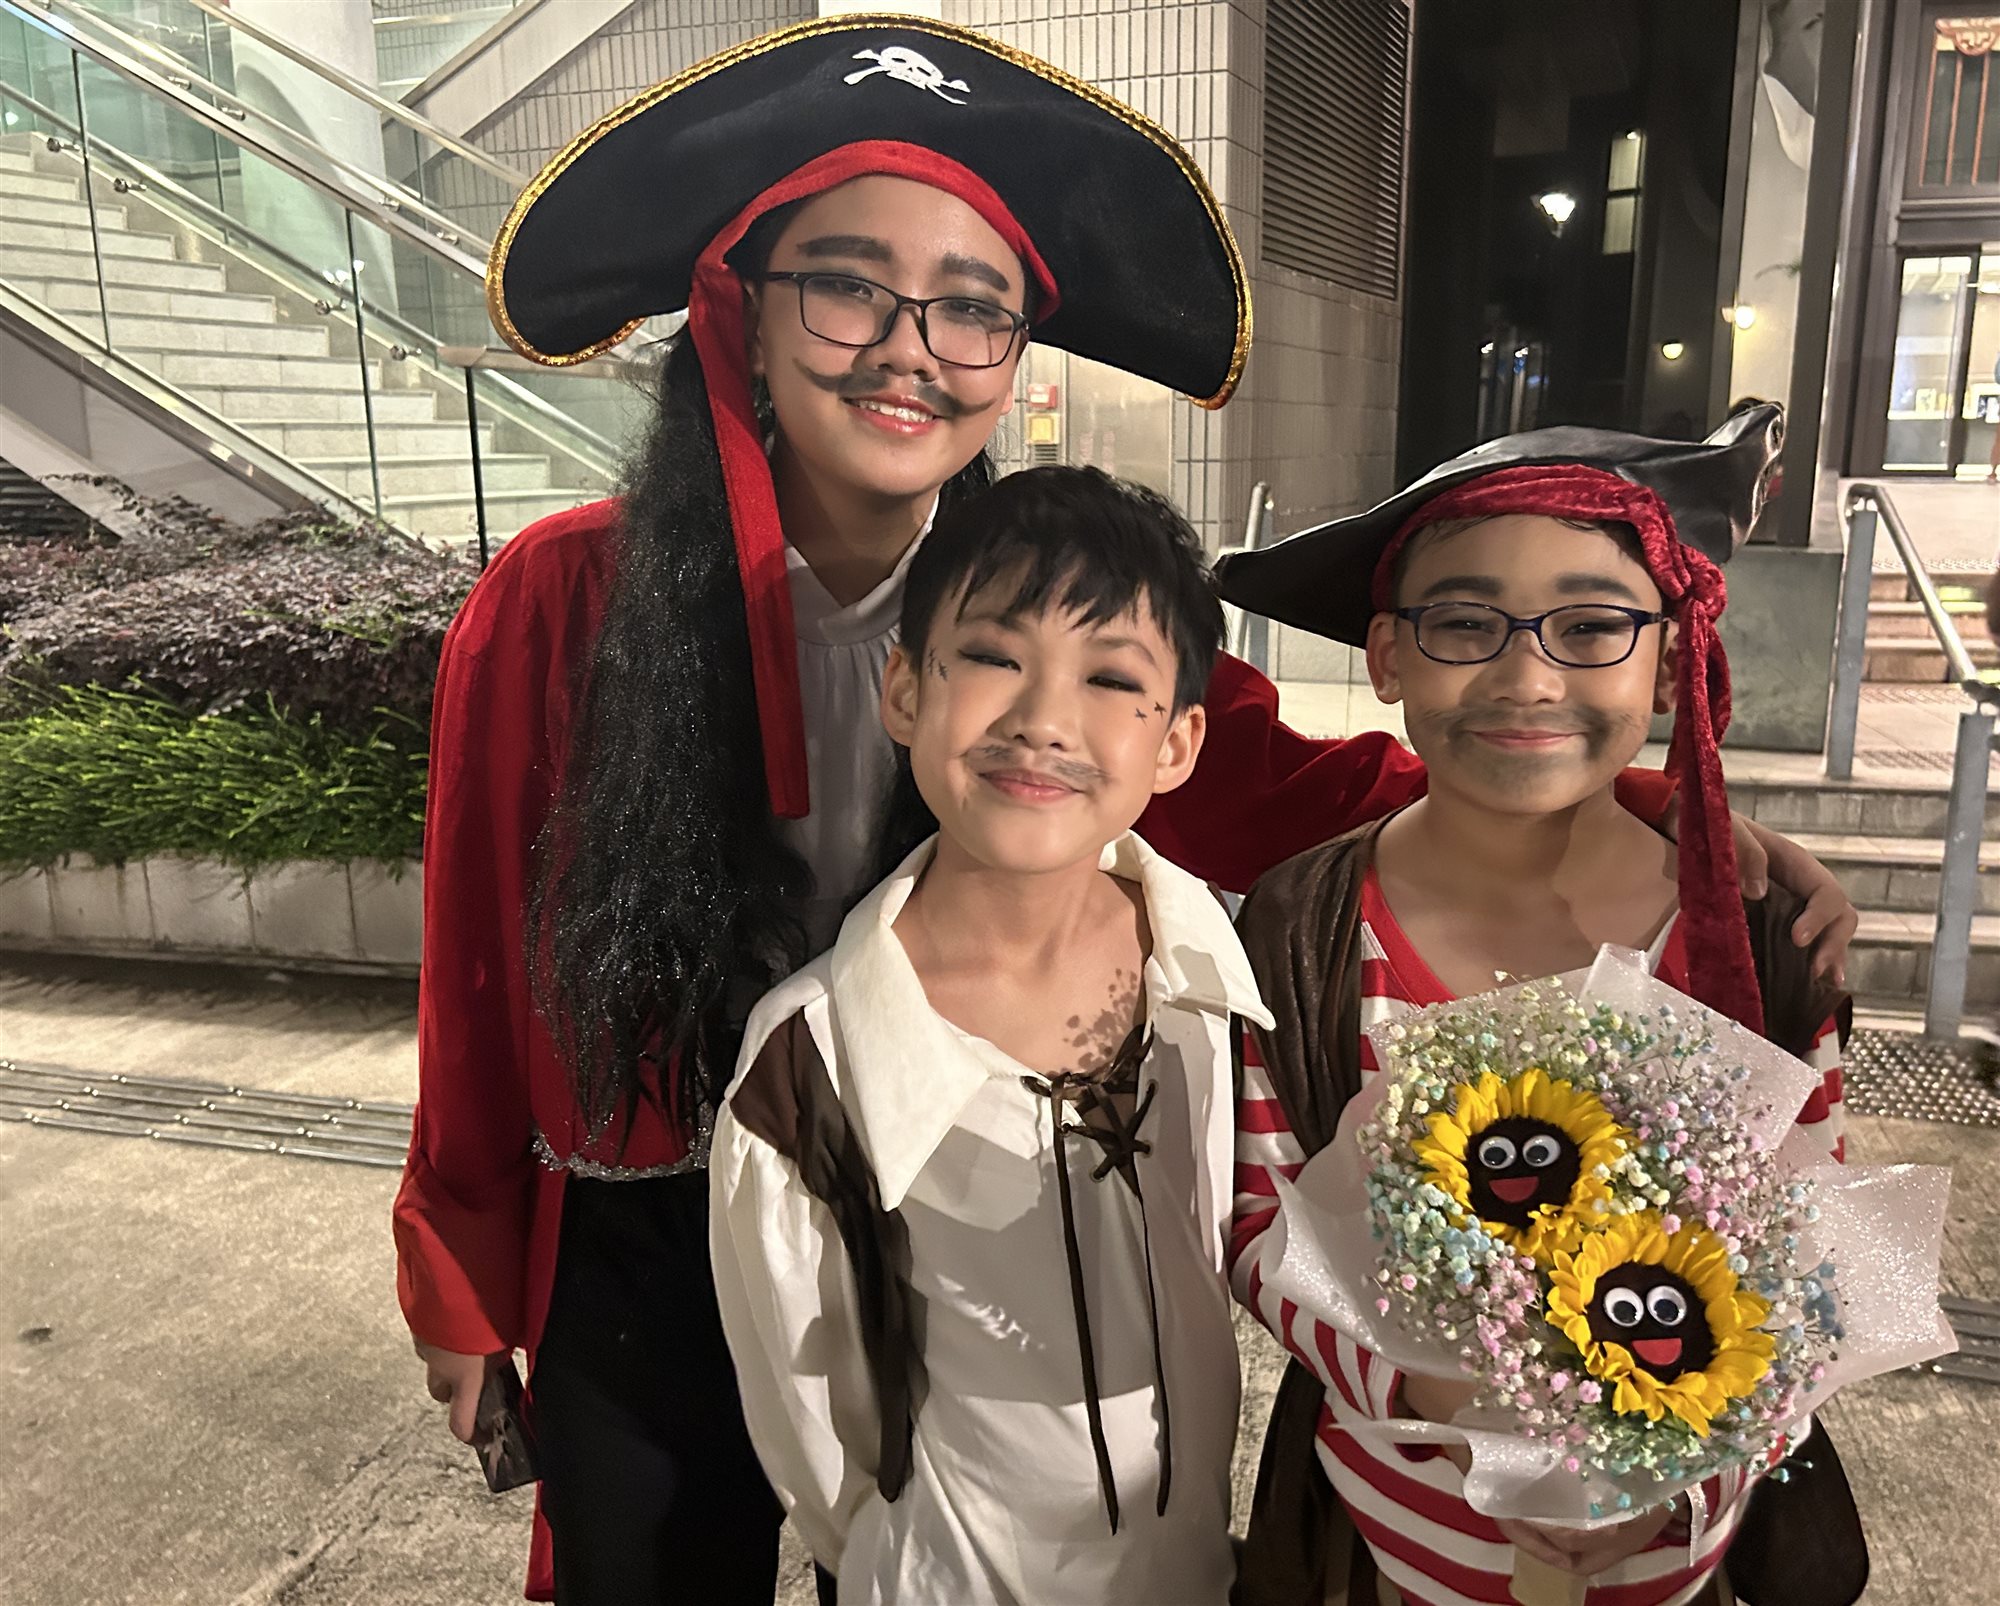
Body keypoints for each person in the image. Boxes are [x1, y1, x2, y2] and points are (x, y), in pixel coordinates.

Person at [391, 17, 1859, 1602]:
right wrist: (462, 1272)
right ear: (741, 310)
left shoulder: (1065, 613)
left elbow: (1318, 791)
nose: (908, 347)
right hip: (654, 1217)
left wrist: (1645, 809)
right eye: (847, 286)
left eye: (972, 306)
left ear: (1015, 351)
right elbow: (476, 957)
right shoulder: (563, 600)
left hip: (940, 1230)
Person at [1215, 409, 1867, 1606]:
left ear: (1669, 658)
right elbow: (1259, 1220)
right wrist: (1430, 1393)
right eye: (1463, 623)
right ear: (1385, 656)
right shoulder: (1305, 928)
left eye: (1590, 626)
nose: (1525, 677)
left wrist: (1686, 1463)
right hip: (1392, 1547)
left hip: (1681, 1561)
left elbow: (1817, 1261)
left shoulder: (1754, 941)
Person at [711, 465, 1265, 1604]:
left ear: (1177, 743)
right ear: (904, 689)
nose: (1042, 721)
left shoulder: (1217, 982)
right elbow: (813, 1424)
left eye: (1111, 678)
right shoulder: (810, 1060)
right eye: (995, 657)